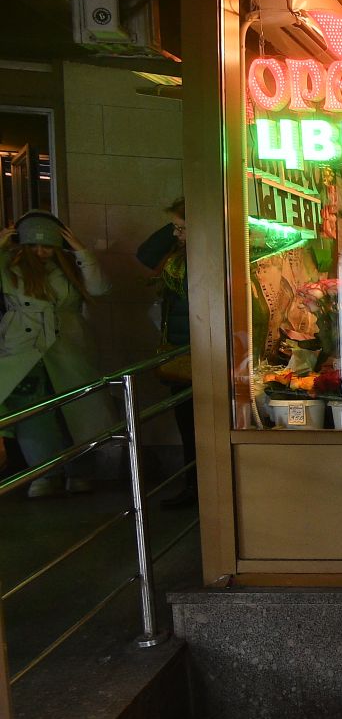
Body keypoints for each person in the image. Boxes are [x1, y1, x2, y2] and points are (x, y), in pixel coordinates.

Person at [0, 211, 113, 497]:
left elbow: (101, 289)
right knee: (31, 415)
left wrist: (82, 252)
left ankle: (80, 471)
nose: (41, 252)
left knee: (77, 410)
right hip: (25, 351)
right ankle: (44, 474)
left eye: (48, 245)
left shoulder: (69, 267)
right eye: (34, 246)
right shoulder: (9, 265)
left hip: (68, 347)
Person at [135, 198, 195, 499]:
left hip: (190, 352)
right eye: (173, 228)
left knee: (191, 424)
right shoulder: (182, 254)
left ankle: (194, 486)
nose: (176, 234)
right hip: (183, 350)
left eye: (181, 228)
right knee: (188, 423)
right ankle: (193, 485)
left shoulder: (195, 259)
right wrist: (180, 221)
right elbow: (145, 254)